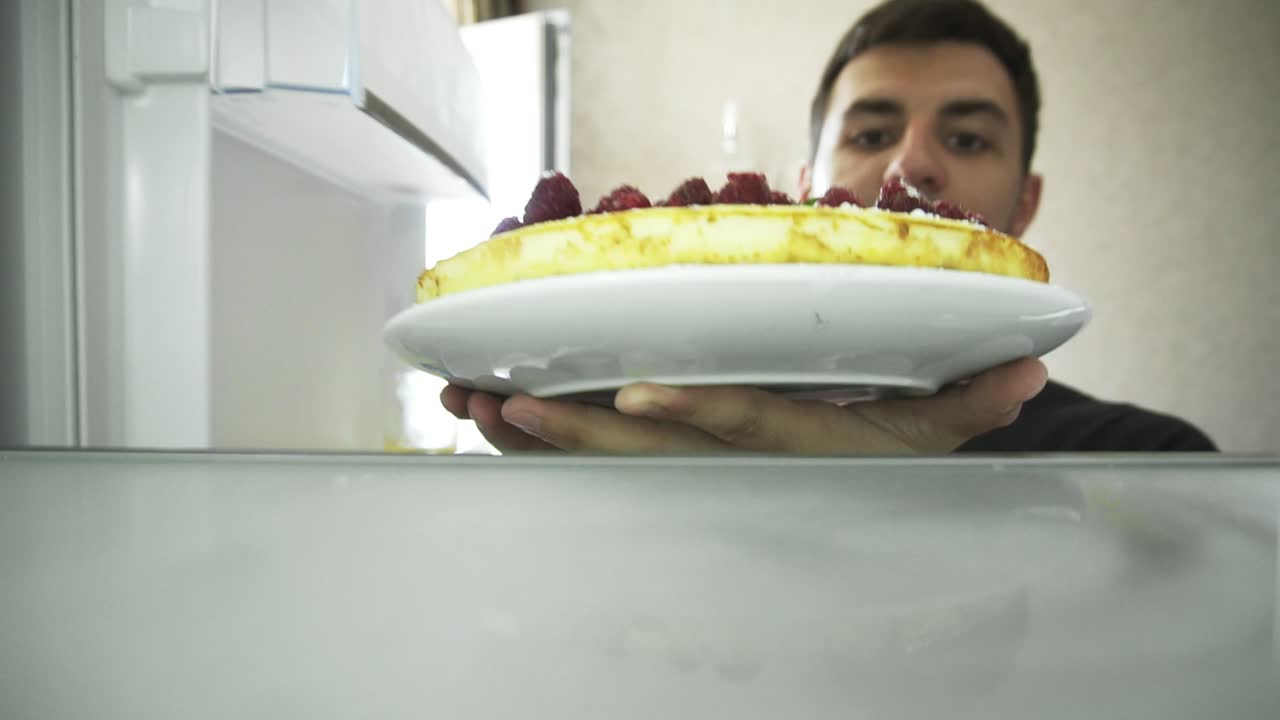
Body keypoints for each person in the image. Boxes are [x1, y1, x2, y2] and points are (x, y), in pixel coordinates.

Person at [440, 0, 1216, 454]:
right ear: (802, 195)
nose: (911, 169)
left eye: (969, 138)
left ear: (1025, 206)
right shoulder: (620, 404)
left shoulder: (1142, 456)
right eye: (872, 135)